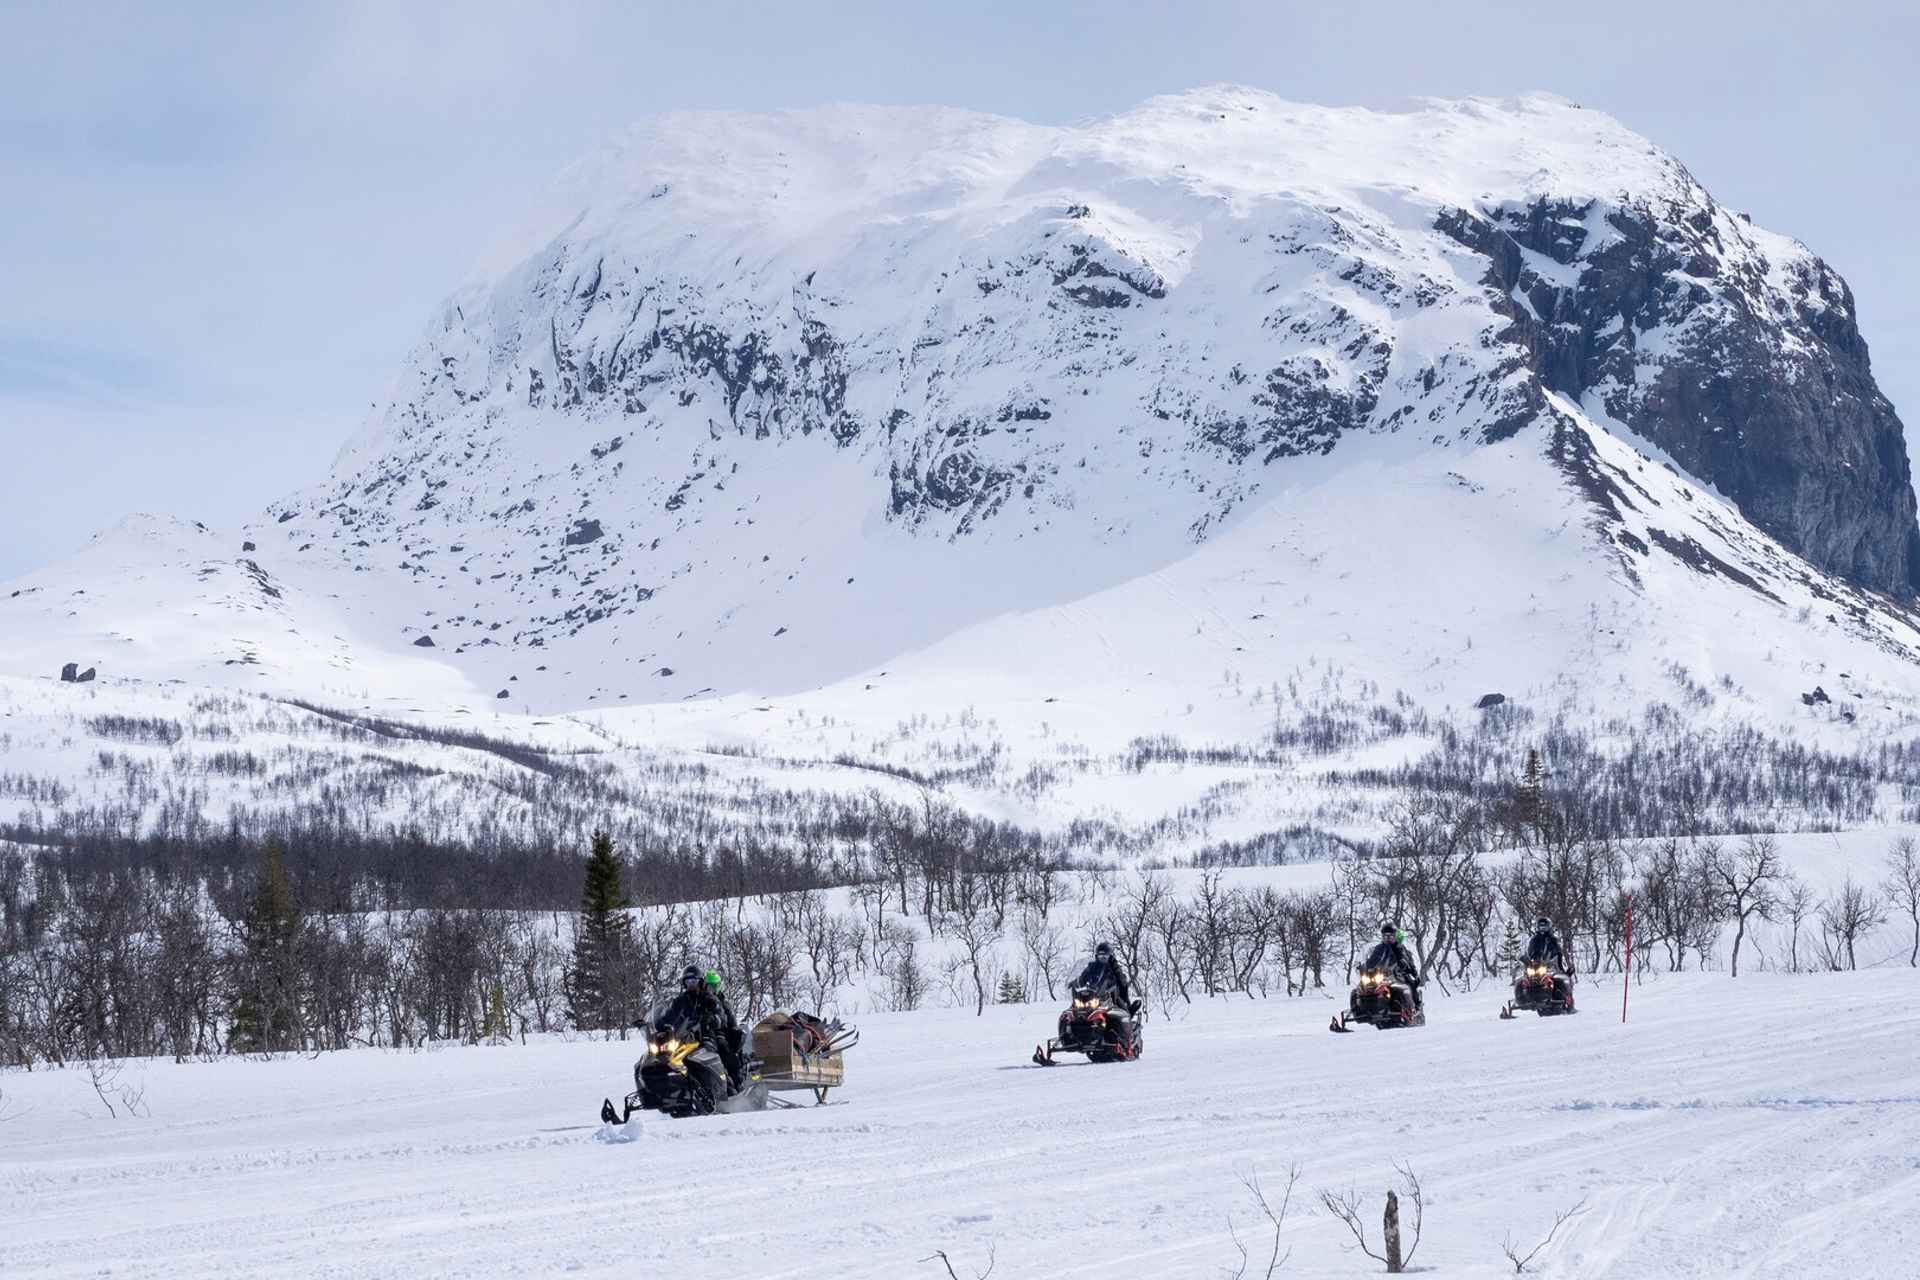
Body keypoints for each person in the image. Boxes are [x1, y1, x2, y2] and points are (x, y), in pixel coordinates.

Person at [662, 964, 745, 1089]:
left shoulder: (708, 997)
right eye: (688, 982)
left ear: (700, 981)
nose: (691, 984)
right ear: (684, 983)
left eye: (693, 981)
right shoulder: (680, 1001)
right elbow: (669, 1015)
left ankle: (734, 1081)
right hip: (686, 1036)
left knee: (723, 1047)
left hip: (708, 1034)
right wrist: (656, 1024)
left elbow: (720, 1014)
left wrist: (712, 1018)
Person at [1072, 942, 1139, 1054]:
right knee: (1074, 1010)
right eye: (1100, 956)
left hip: (1111, 995)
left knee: (1122, 1011)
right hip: (1094, 995)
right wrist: (1074, 983)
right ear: (1096, 956)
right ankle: (1071, 1036)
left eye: (1105, 956)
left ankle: (1128, 1039)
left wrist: (1118, 979)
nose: (1103, 958)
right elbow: (1083, 977)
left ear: (1110, 956)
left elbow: (1122, 980)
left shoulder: (1114, 967)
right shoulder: (1092, 967)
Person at [1361, 921, 1422, 1010]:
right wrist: (1365, 966)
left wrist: (1413, 971)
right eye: (1385, 936)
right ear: (1382, 936)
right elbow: (1374, 959)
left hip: (1397, 974)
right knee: (1363, 986)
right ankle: (1361, 1008)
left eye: (1390, 936)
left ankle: (1416, 1006)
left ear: (1395, 936)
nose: (1388, 938)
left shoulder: (1399, 948)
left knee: (1410, 983)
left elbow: (1408, 960)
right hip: (1382, 974)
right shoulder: (1379, 948)